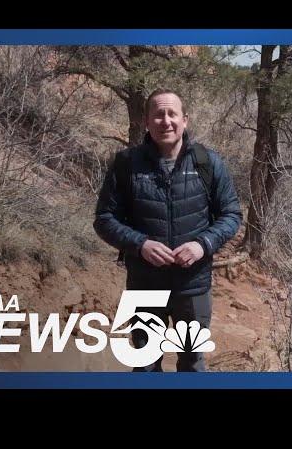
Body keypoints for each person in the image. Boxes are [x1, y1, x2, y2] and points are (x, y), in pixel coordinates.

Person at [93, 88, 242, 372]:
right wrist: (140, 244)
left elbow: (232, 215)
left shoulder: (207, 163)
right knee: (146, 363)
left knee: (192, 362)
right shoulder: (126, 165)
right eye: (158, 114)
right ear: (146, 122)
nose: (166, 121)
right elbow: (104, 219)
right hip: (145, 284)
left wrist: (202, 244)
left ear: (184, 120)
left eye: (172, 113)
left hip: (193, 286)